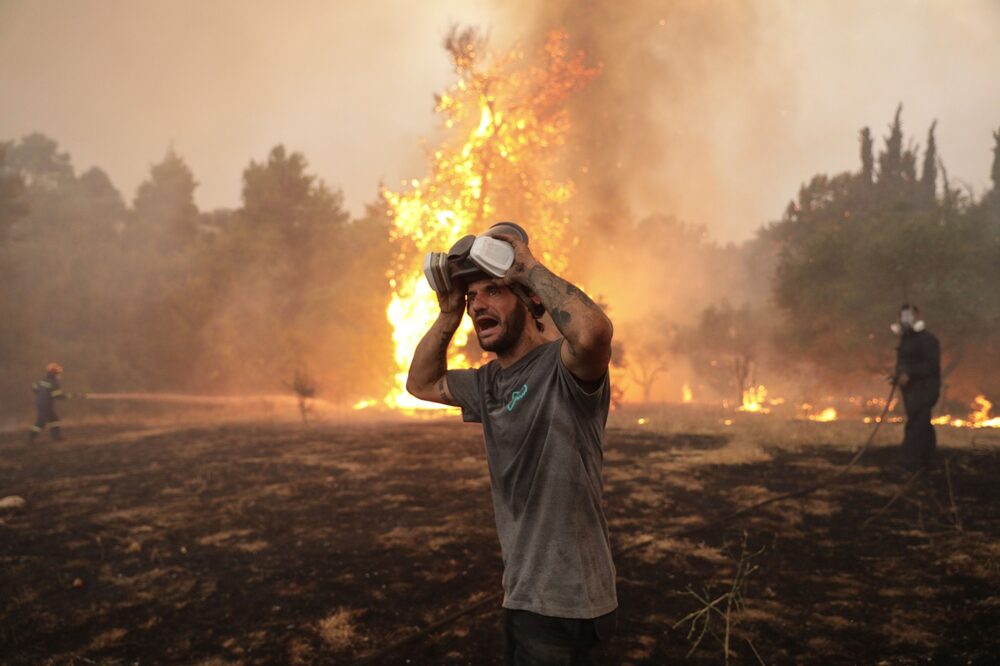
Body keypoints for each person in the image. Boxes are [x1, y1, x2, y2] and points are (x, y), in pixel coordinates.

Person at [407, 224, 617, 665]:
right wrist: (447, 314)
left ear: (531, 302)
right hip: (522, 597)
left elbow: (595, 332)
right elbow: (421, 383)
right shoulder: (487, 384)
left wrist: (526, 266)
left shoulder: (564, 368)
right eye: (471, 298)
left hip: (572, 605)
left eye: (493, 291)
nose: (477, 305)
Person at [891, 304, 941, 472]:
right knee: (923, 425)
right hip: (912, 391)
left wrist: (909, 373)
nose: (906, 320)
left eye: (909, 316)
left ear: (917, 317)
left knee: (916, 425)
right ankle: (930, 463)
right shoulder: (906, 340)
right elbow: (904, 363)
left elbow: (931, 366)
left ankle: (907, 464)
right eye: (903, 316)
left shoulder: (927, 339)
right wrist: (898, 376)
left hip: (925, 390)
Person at [29, 362, 68, 444]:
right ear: (55, 373)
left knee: (54, 419)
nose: (59, 375)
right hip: (46, 405)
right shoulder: (54, 383)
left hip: (40, 403)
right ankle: (31, 439)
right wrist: (65, 396)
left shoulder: (42, 380)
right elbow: (57, 395)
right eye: (58, 373)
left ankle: (56, 437)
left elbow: (34, 388)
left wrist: (42, 395)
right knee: (41, 422)